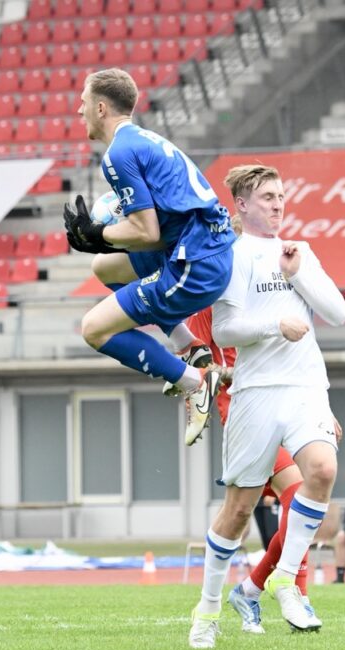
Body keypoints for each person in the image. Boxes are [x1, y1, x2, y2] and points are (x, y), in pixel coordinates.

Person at [188, 164, 345, 649]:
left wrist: (298, 276)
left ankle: (282, 581)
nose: (278, 204)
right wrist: (274, 326)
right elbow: (223, 331)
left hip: (305, 386)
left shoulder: (299, 251)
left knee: (321, 471)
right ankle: (209, 608)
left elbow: (337, 312)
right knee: (238, 510)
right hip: (255, 393)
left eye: (281, 196)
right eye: (267, 197)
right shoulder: (232, 257)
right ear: (241, 204)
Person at [65, 67, 235, 446]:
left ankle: (195, 381)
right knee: (104, 266)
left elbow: (146, 233)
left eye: (84, 102)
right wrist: (101, 245)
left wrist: (99, 234)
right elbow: (156, 230)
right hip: (204, 254)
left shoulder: (117, 156)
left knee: (94, 328)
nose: (80, 111)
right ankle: (190, 346)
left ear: (102, 108)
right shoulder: (146, 140)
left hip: (193, 269)